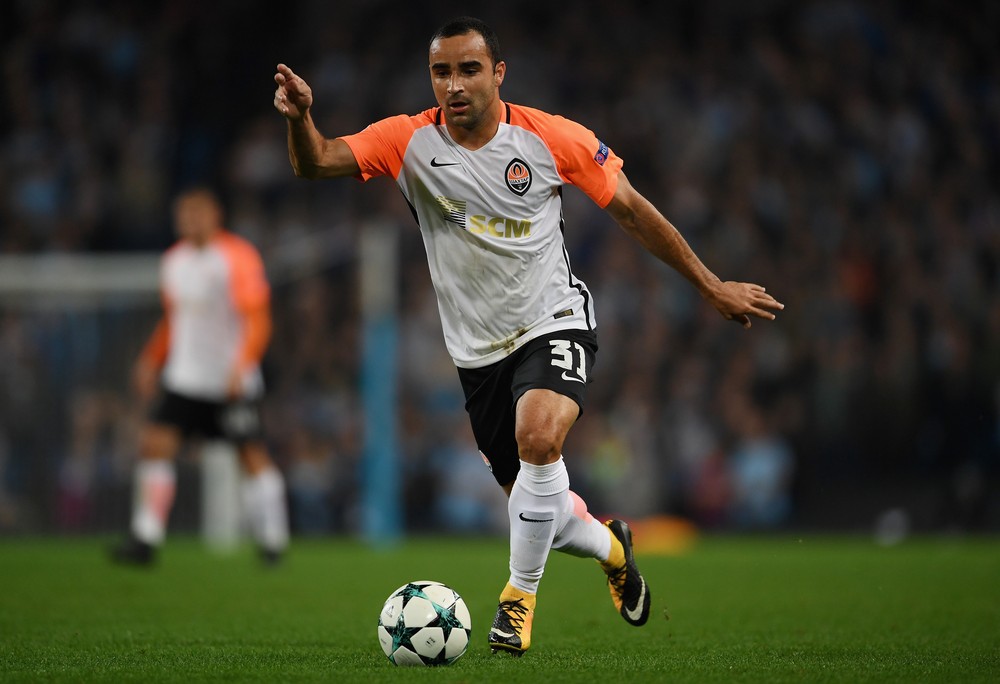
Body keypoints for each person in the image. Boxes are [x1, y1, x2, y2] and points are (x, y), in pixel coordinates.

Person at [273, 17, 783, 654]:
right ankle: (613, 548)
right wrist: (300, 118)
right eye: (441, 72)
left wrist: (709, 285)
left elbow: (632, 209)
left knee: (540, 437)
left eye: (468, 69)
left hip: (553, 320)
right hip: (476, 354)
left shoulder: (551, 138)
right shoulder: (406, 141)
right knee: (540, 511)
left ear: (498, 74)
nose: (454, 85)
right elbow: (316, 162)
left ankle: (517, 601)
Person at [112, 188, 289, 566]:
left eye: (197, 212)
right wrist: (150, 359)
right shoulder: (173, 262)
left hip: (229, 381)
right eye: (184, 213)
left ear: (215, 215)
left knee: (251, 456)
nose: (190, 220)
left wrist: (242, 365)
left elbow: (258, 319)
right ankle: (146, 537)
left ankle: (273, 540)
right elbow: (174, 321)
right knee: (155, 446)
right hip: (186, 378)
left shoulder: (237, 257)